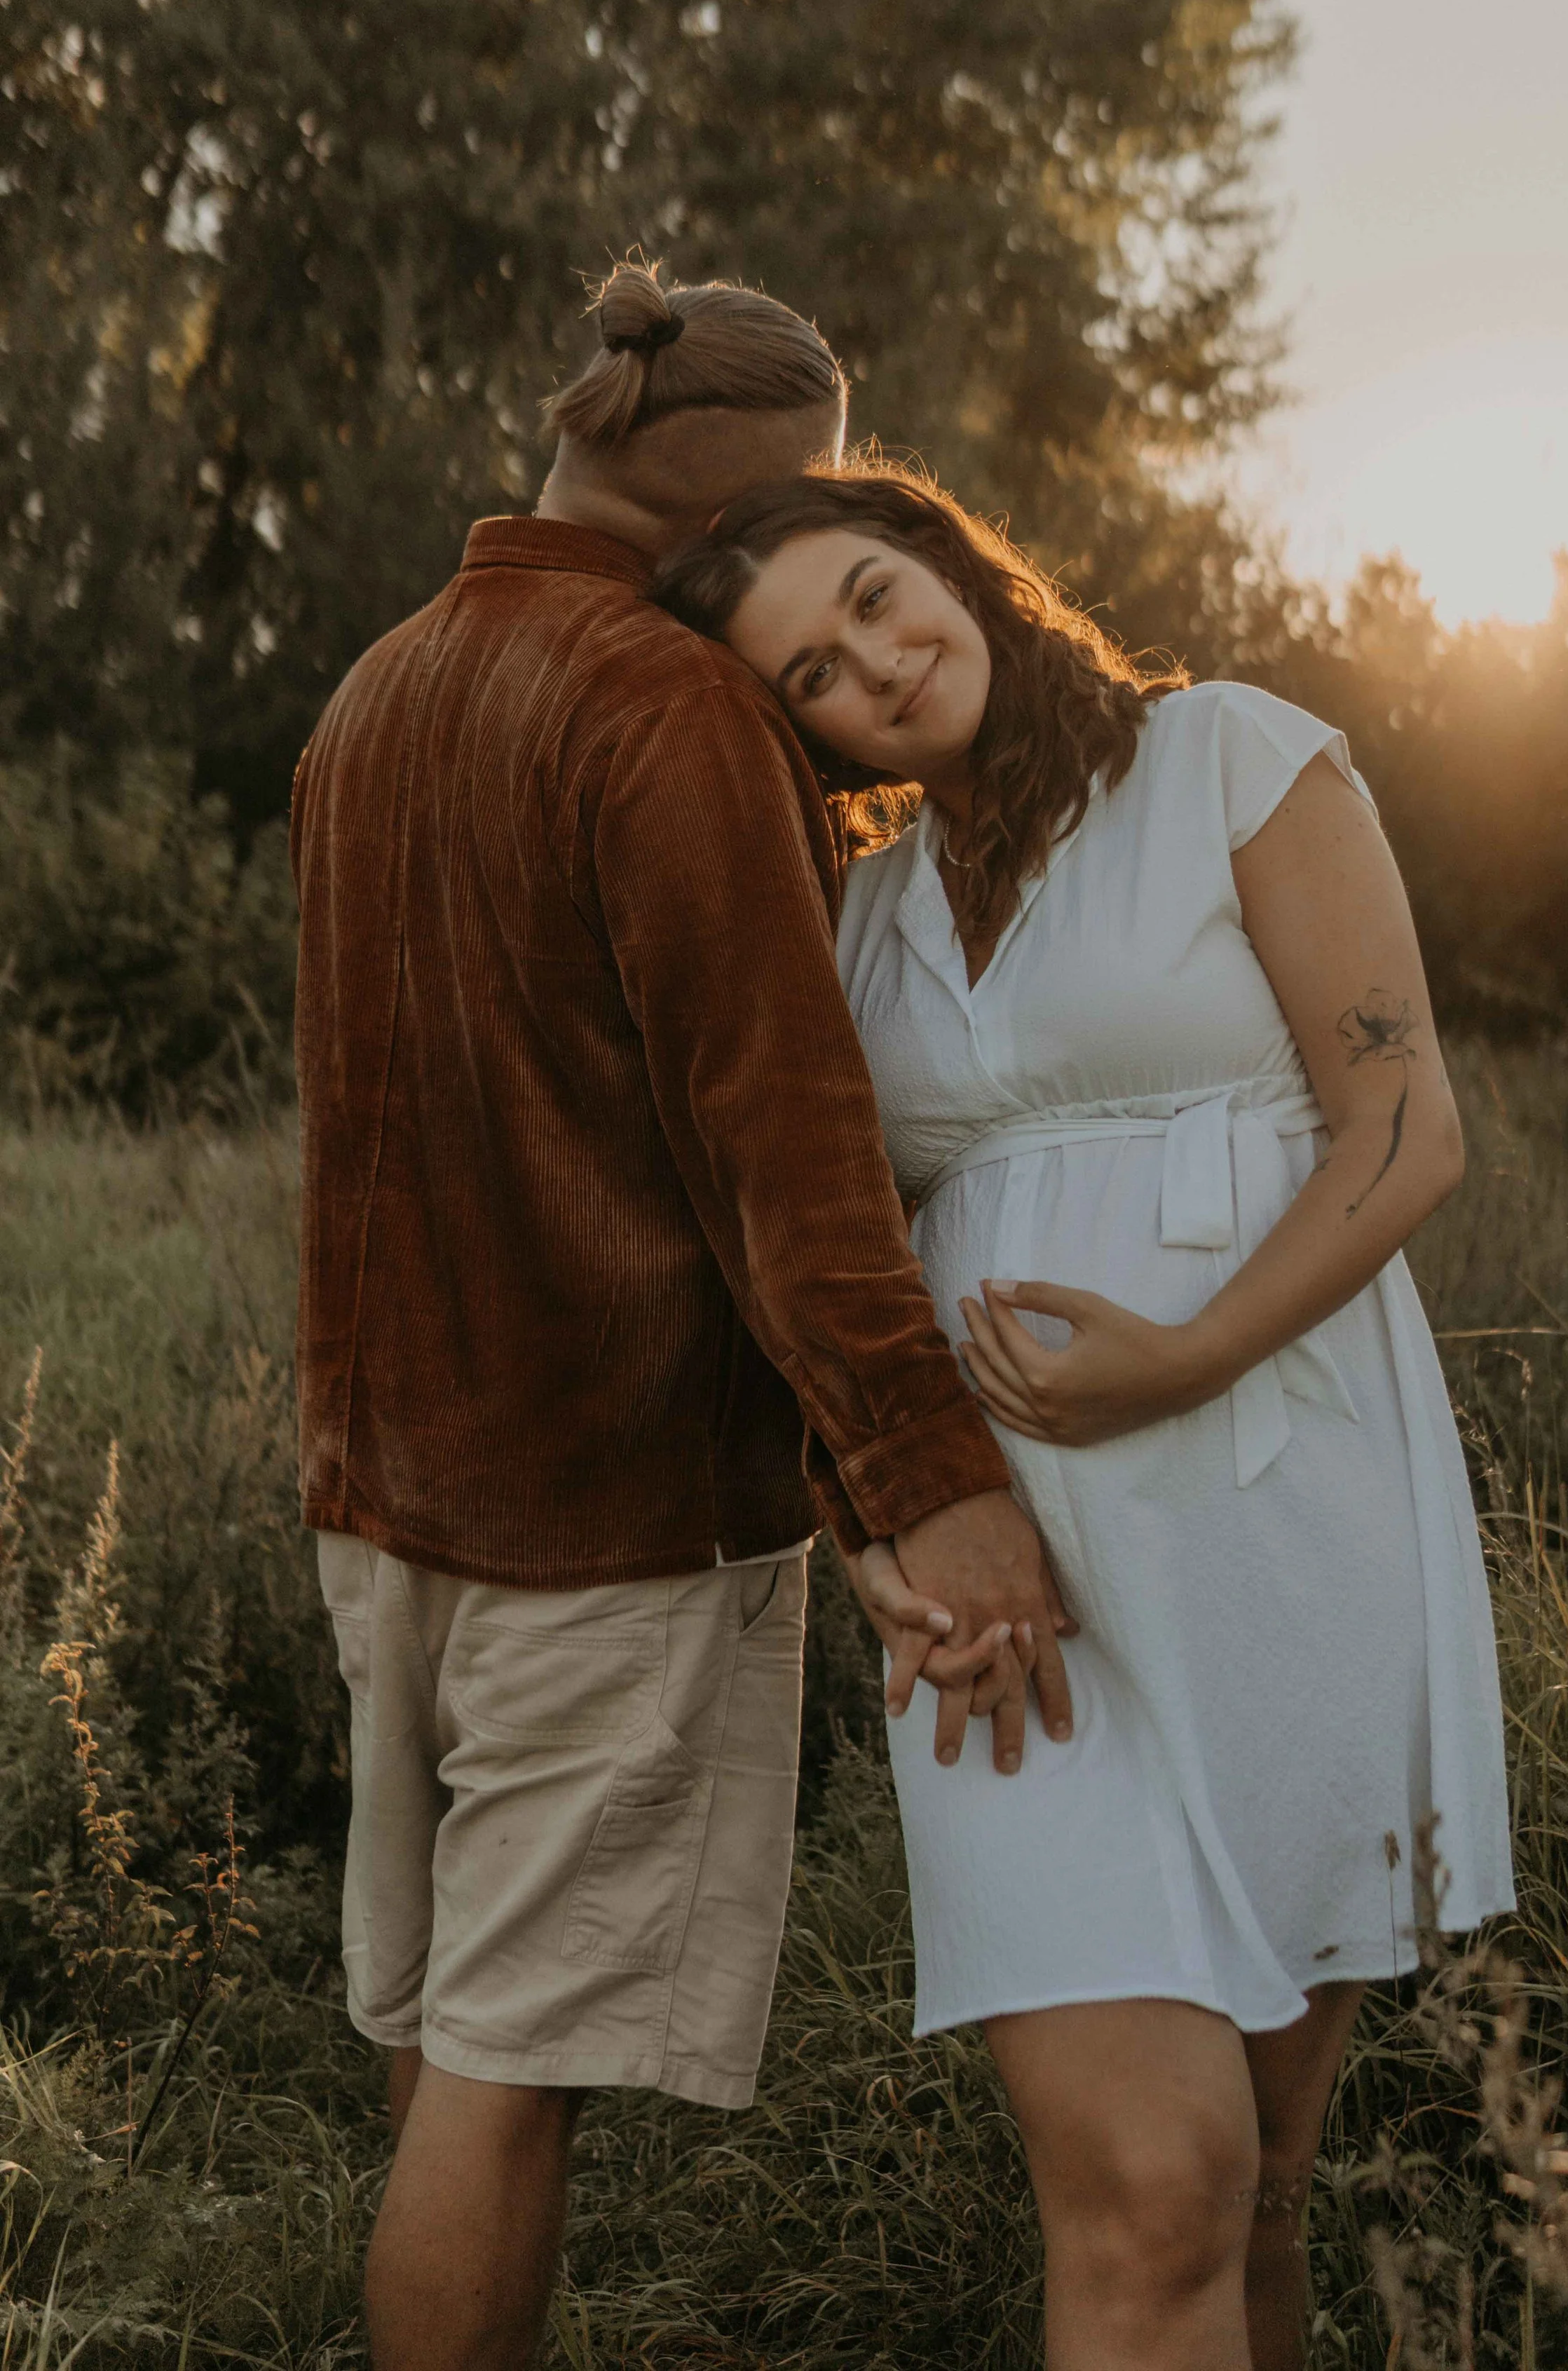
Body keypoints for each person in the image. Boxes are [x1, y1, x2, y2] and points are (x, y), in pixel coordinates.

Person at [653, 465, 1517, 2371]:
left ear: (952, 560)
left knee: (1260, 2179)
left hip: (1285, 1517)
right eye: (812, 671)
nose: (874, 663)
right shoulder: (860, 913)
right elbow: (815, 1253)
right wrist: (868, 1520)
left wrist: (1182, 1354)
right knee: (1148, 2179)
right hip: (1007, 1601)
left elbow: (1402, 1125)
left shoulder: (1229, 759)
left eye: (878, 595)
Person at [288, 271, 1071, 2371]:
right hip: (596, 1512)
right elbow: (784, 1148)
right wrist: (930, 1481)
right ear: (727, 475)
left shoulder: (374, 690)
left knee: (450, 2032)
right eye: (817, 489)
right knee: (506, 2084)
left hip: (386, 1495)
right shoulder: (665, 705)